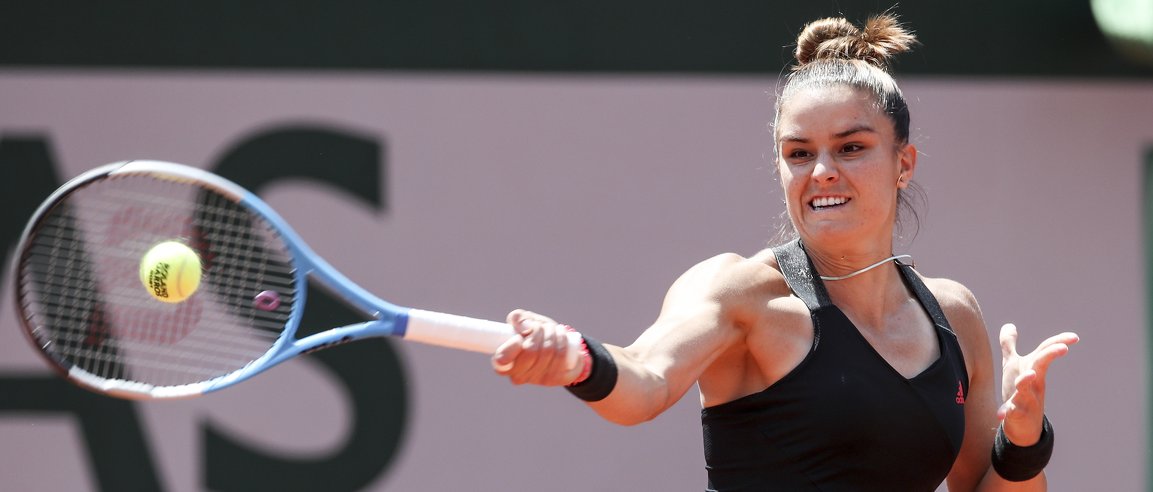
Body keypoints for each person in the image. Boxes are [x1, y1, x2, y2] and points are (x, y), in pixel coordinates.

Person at [492, 13, 1079, 492]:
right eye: (799, 154)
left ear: (903, 163)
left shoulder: (954, 315)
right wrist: (577, 360)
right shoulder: (741, 292)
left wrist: (1023, 442)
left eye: (850, 147)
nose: (822, 171)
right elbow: (644, 381)